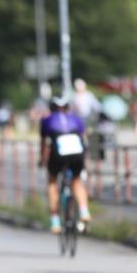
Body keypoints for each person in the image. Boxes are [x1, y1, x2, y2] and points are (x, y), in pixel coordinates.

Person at [39, 95, 91, 233]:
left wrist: (42, 160)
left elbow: (44, 144)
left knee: (52, 182)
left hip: (58, 153)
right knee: (77, 182)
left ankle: (55, 220)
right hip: (77, 153)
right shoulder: (76, 118)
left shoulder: (47, 120)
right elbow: (84, 140)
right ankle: (84, 211)